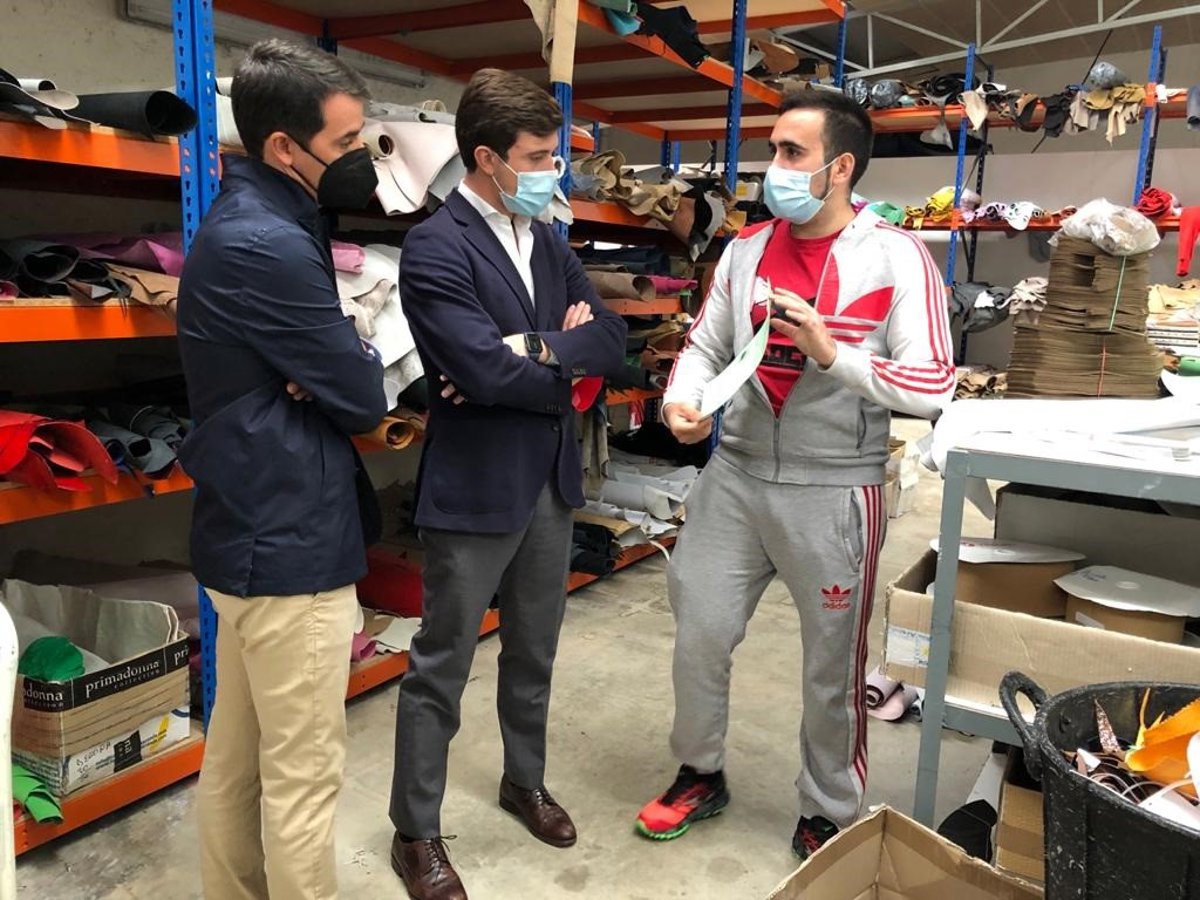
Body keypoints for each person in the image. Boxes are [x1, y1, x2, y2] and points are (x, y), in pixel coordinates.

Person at [635, 90, 954, 858]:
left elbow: (932, 384)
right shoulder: (745, 250)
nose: (771, 166)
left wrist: (832, 353)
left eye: (790, 152)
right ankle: (699, 772)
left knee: (831, 666)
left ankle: (828, 809)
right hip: (736, 475)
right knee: (699, 632)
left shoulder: (897, 256)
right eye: (772, 148)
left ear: (839, 167)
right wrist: (681, 400)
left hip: (835, 487)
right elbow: (704, 346)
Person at [387, 69, 627, 900]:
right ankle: (415, 832)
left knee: (535, 650)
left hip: (548, 484)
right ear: (486, 159)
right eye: (537, 157)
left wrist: (530, 350)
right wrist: (550, 355)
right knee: (442, 663)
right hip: (476, 487)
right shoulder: (436, 246)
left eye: (554, 155)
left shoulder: (548, 240)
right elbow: (479, 373)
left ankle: (524, 781)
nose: (552, 171)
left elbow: (610, 339)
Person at [176, 39, 387, 900]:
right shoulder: (269, 243)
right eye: (345, 143)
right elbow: (363, 396)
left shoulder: (259, 222)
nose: (361, 158)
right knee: (302, 779)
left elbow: (333, 376)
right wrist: (347, 355)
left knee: (236, 760)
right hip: (289, 546)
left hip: (252, 535)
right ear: (282, 147)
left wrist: (326, 364)